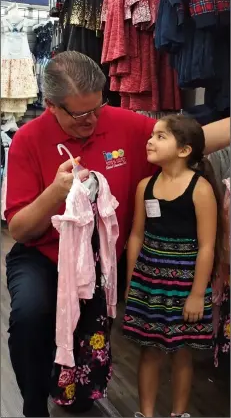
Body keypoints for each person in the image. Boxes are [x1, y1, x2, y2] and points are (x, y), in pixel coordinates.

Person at [4, 51, 230, 417]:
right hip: (44, 255)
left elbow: (197, 139)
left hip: (104, 260)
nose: (92, 120)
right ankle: (33, 406)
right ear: (51, 105)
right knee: (31, 314)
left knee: (81, 400)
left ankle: (76, 387)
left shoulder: (124, 125)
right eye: (80, 115)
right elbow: (19, 228)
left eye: (98, 107)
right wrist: (53, 196)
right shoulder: (28, 140)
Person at [123, 114, 224, 418]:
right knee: (148, 350)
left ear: (184, 150)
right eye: (151, 135)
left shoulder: (201, 189)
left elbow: (207, 246)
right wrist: (131, 284)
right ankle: (146, 413)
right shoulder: (145, 186)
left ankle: (179, 414)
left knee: (181, 352)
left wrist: (197, 294)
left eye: (160, 136)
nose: (150, 141)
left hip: (185, 283)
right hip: (148, 280)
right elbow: (137, 235)